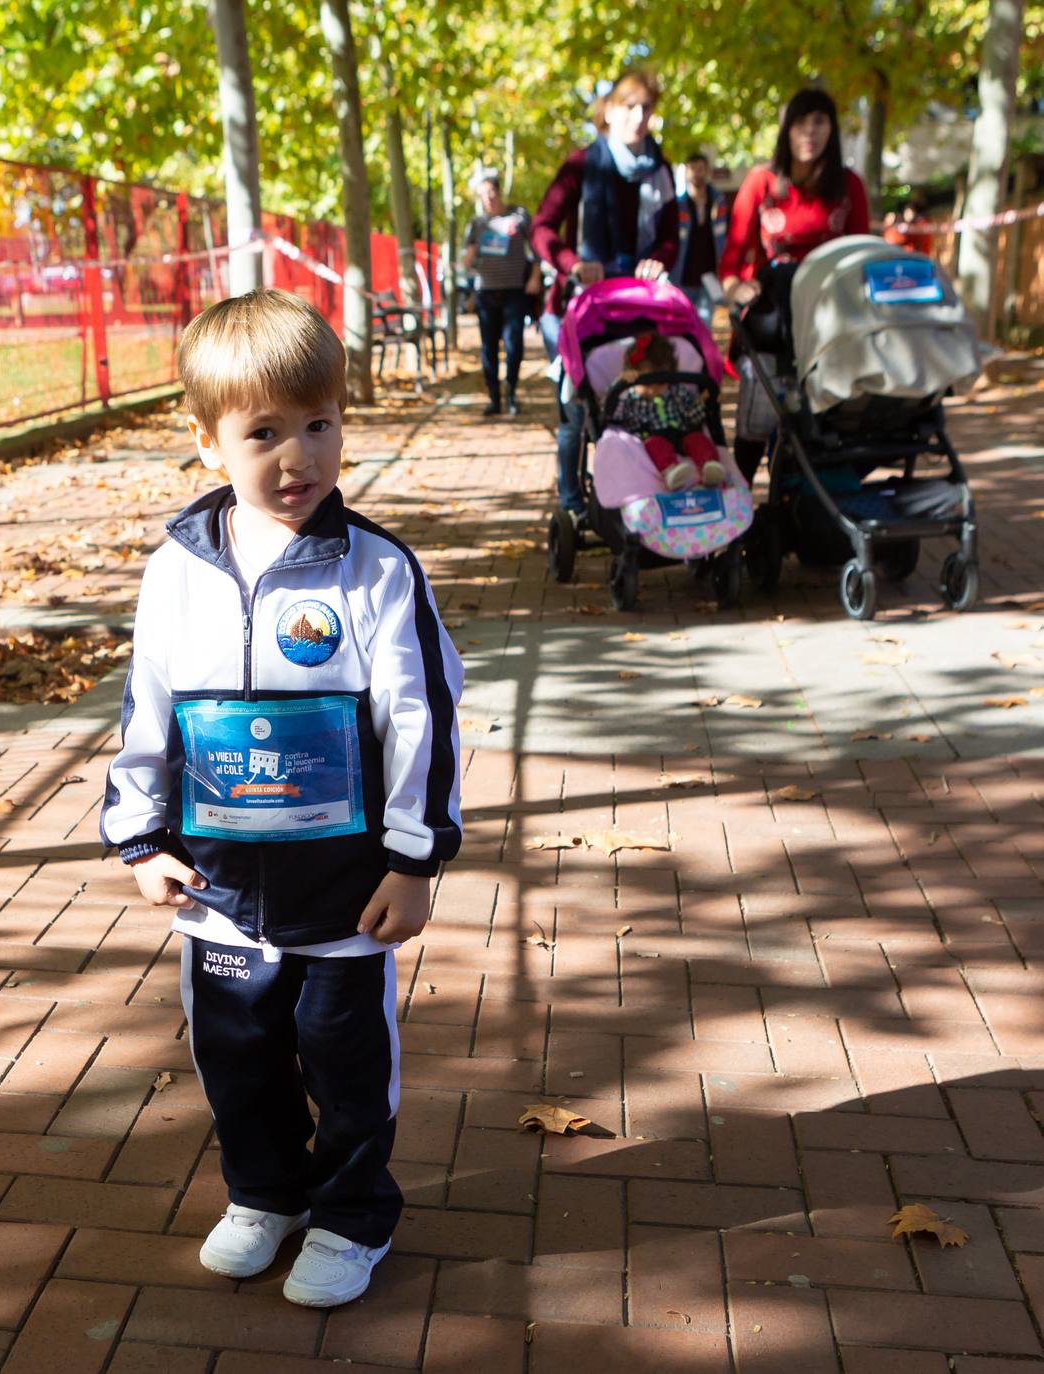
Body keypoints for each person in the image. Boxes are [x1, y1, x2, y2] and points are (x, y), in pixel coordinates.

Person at [100, 288, 463, 1308]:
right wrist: (139, 839)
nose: (297, 457)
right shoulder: (177, 569)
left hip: (345, 890)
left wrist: (413, 859)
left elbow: (422, 718)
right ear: (208, 441)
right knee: (238, 1057)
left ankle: (351, 1215)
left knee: (346, 1066)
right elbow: (149, 707)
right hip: (219, 889)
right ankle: (265, 1194)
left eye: (320, 425)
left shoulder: (377, 572)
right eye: (263, 433)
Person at [531, 70, 678, 516]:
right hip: (578, 306)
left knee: (641, 398)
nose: (638, 116)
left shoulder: (660, 169)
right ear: (609, 111)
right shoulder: (581, 164)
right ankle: (572, 502)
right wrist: (572, 263)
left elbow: (671, 235)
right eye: (629, 106)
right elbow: (542, 228)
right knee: (578, 409)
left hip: (636, 306)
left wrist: (660, 259)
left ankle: (642, 486)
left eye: (646, 108)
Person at [719, 88, 870, 483]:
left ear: (832, 130)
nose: (810, 132)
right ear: (787, 130)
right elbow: (732, 263)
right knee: (759, 415)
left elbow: (860, 256)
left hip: (829, 319)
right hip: (773, 318)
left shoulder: (848, 185)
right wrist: (739, 289)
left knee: (829, 419)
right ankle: (740, 500)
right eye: (801, 123)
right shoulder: (761, 182)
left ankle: (813, 503)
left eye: (820, 122)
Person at [462, 169, 537, 415]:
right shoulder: (476, 224)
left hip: (514, 291)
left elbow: (535, 249)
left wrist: (535, 277)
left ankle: (511, 394)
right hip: (486, 292)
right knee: (488, 348)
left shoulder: (519, 216)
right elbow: (467, 261)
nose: (488, 198)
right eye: (482, 195)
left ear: (499, 191)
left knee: (514, 344)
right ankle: (494, 398)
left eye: (491, 192)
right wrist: (472, 252)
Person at [612, 331, 724, 490]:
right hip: (652, 435)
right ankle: (671, 472)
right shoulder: (630, 398)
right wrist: (621, 385)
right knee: (655, 445)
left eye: (662, 384)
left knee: (698, 439)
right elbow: (612, 413)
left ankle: (710, 467)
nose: (654, 390)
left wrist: (703, 403)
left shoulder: (676, 391)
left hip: (681, 433)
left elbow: (690, 416)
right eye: (648, 385)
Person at [670, 151, 727, 328]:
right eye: (693, 169)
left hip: (710, 275)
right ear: (686, 173)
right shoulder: (677, 205)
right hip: (683, 276)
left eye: (701, 169)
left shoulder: (719, 202)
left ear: (707, 171)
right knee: (681, 325)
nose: (697, 173)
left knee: (705, 326)